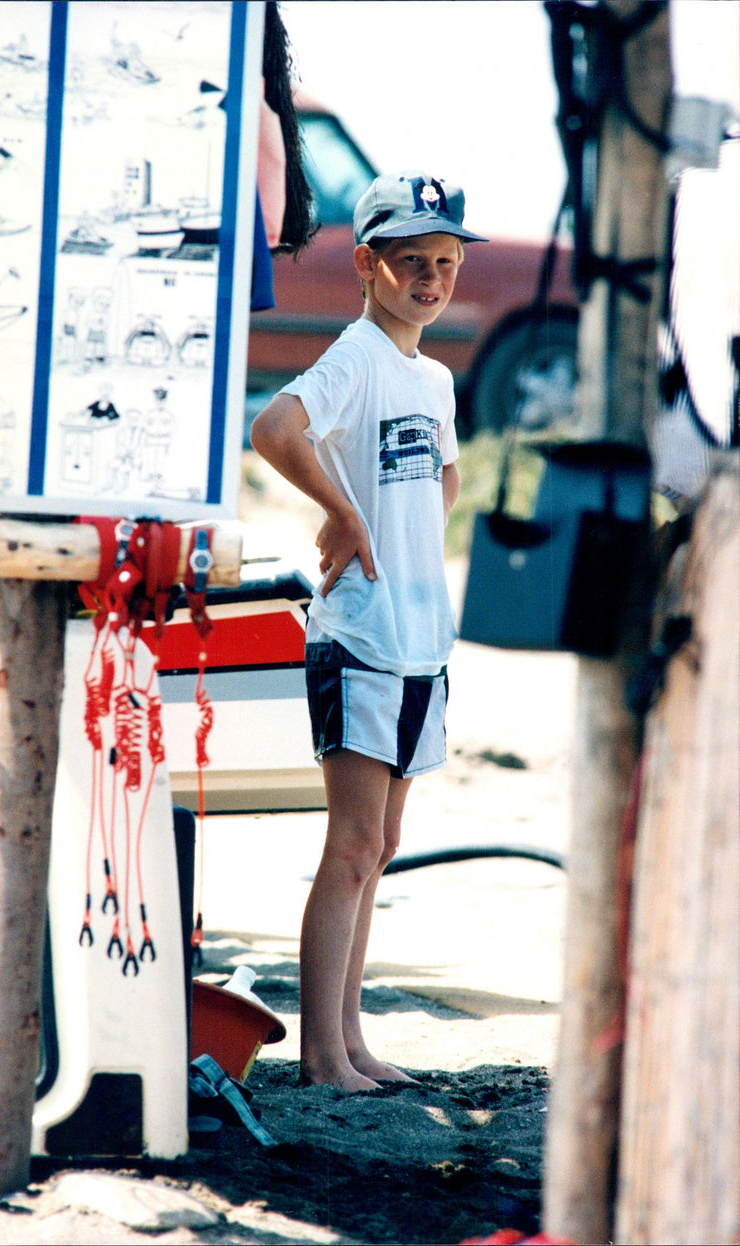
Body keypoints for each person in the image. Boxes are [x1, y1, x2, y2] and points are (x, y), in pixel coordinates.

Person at [250, 172, 487, 1091]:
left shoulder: (434, 376)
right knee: (349, 846)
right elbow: (277, 428)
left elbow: (446, 481)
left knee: (379, 850)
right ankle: (319, 1056)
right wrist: (344, 514)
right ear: (367, 265)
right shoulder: (356, 355)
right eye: (411, 262)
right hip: (360, 636)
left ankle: (351, 1042)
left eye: (445, 263)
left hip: (424, 637)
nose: (430, 278)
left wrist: (398, 523)